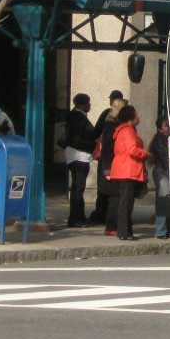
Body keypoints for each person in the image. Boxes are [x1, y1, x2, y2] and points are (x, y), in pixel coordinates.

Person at [109, 104, 148, 240]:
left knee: (125, 202)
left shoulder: (123, 130)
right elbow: (132, 150)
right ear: (131, 117)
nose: (139, 116)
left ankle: (125, 231)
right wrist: (145, 154)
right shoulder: (128, 131)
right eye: (136, 114)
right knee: (126, 203)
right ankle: (124, 232)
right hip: (128, 169)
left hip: (122, 169)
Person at [88, 90, 124, 226]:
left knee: (103, 190)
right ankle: (111, 218)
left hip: (107, 160)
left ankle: (102, 214)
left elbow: (96, 131)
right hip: (116, 160)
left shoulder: (106, 116)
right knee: (116, 192)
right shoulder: (122, 119)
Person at [63, 93, 96, 228]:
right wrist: (92, 145)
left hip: (75, 155)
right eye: (88, 103)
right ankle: (76, 218)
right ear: (82, 105)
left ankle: (78, 217)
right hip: (79, 156)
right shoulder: (78, 118)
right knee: (78, 188)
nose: (90, 105)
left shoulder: (75, 116)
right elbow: (77, 139)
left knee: (77, 188)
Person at [97, 98, 126, 235]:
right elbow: (107, 149)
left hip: (113, 165)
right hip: (111, 166)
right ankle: (111, 226)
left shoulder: (113, 124)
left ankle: (113, 225)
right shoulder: (111, 126)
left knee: (115, 197)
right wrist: (107, 169)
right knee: (115, 196)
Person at [148, 117, 170, 239]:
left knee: (167, 201)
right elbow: (165, 156)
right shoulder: (160, 140)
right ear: (160, 128)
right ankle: (161, 230)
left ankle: (166, 230)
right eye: (166, 125)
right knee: (163, 201)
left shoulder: (166, 139)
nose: (168, 127)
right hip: (162, 172)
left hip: (164, 171)